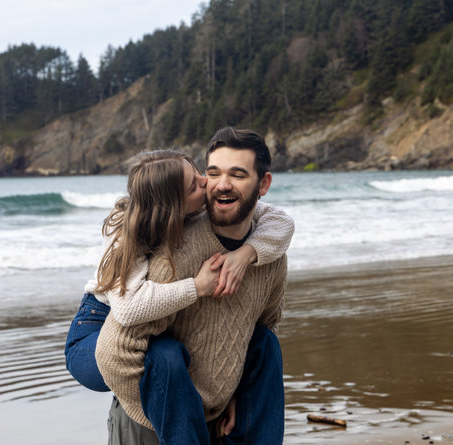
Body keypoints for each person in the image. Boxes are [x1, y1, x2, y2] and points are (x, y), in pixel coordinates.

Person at [95, 127, 332, 445]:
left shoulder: (270, 253)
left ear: (262, 185)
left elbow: (259, 327)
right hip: (150, 422)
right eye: (213, 173)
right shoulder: (174, 240)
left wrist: (233, 391)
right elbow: (131, 329)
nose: (222, 185)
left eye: (237, 174)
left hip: (218, 424)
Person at [64, 150, 295, 395]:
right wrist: (198, 286)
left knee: (180, 354)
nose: (206, 181)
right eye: (194, 185)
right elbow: (127, 309)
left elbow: (281, 220)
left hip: (151, 326)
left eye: (198, 172)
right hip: (95, 326)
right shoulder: (125, 229)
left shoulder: (197, 206)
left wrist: (245, 254)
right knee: (164, 356)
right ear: (172, 204)